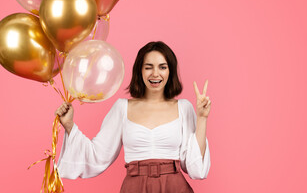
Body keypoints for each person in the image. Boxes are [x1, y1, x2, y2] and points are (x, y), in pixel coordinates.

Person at [55, 41, 211, 193]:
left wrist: (202, 118)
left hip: (174, 187)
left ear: (170, 71)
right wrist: (69, 124)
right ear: (140, 71)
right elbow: (98, 154)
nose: (155, 73)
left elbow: (195, 168)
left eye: (162, 67)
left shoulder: (184, 108)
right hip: (135, 187)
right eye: (148, 67)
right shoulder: (122, 107)